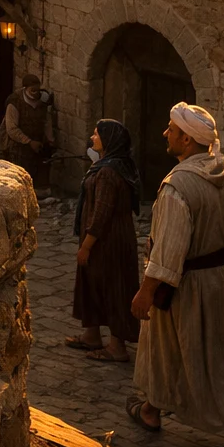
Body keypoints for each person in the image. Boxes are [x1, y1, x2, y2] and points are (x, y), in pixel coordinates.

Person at [128, 103, 224, 447]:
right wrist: (221, 269)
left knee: (209, 355)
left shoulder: (178, 187)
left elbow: (168, 250)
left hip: (185, 286)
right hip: (220, 279)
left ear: (187, 139)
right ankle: (151, 409)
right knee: (168, 347)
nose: (165, 134)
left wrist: (146, 291)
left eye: (171, 129)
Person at [67, 118, 141, 362]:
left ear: (109, 140)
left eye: (97, 134)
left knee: (113, 288)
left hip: (109, 241)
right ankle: (92, 335)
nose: (92, 137)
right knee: (92, 284)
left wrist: (87, 245)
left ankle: (117, 347)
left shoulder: (109, 173)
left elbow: (102, 212)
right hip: (103, 239)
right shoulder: (106, 165)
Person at [1, 74, 55, 189]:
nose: (36, 93)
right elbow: (11, 129)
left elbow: (46, 121)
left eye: (37, 90)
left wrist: (50, 140)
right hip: (17, 146)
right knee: (19, 175)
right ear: (26, 88)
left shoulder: (42, 102)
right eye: (32, 90)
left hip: (37, 143)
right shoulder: (15, 103)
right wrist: (29, 142)